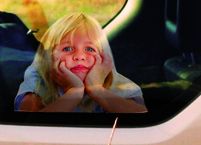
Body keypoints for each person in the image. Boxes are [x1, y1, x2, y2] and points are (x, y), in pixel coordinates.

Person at [15, 11, 147, 115]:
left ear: (102, 58)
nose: (79, 56)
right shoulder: (39, 79)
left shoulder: (115, 83)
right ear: (51, 56)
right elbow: (28, 127)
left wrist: (96, 90)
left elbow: (144, 123)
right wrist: (75, 92)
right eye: (67, 48)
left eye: (89, 49)